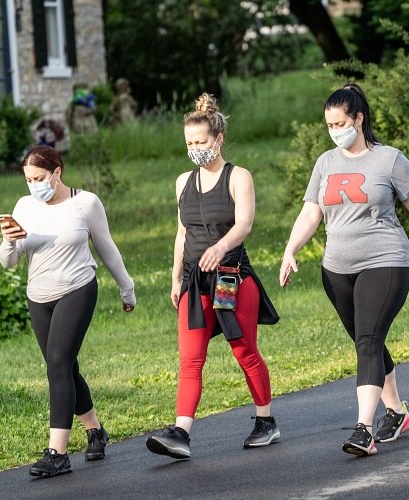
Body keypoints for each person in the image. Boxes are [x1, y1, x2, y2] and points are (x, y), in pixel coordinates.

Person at [279, 84, 409, 457]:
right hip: (336, 269)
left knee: (367, 341)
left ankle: (364, 430)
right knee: (368, 340)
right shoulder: (325, 163)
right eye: (329, 125)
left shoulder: (390, 159)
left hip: (385, 260)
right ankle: (396, 412)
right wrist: (290, 249)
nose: (334, 131)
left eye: (340, 123)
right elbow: (311, 212)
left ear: (359, 119)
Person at [145, 93, 280, 460]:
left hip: (231, 278)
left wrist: (221, 248)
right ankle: (180, 432)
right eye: (189, 143)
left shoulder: (239, 176)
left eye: (201, 142)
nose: (195, 148)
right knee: (190, 359)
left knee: (245, 351)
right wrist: (175, 278)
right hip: (194, 281)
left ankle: (266, 421)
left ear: (218, 139)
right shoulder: (182, 182)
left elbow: (245, 224)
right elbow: (181, 233)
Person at [0, 145, 136, 477]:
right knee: (65, 367)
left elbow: (106, 246)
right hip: (38, 297)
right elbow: (8, 262)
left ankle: (57, 453)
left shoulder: (84, 203)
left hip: (77, 289)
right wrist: (9, 240)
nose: (34, 185)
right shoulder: (24, 207)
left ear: (57, 172)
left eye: (39, 177)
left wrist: (126, 287)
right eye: (28, 179)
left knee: (57, 363)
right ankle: (95, 430)